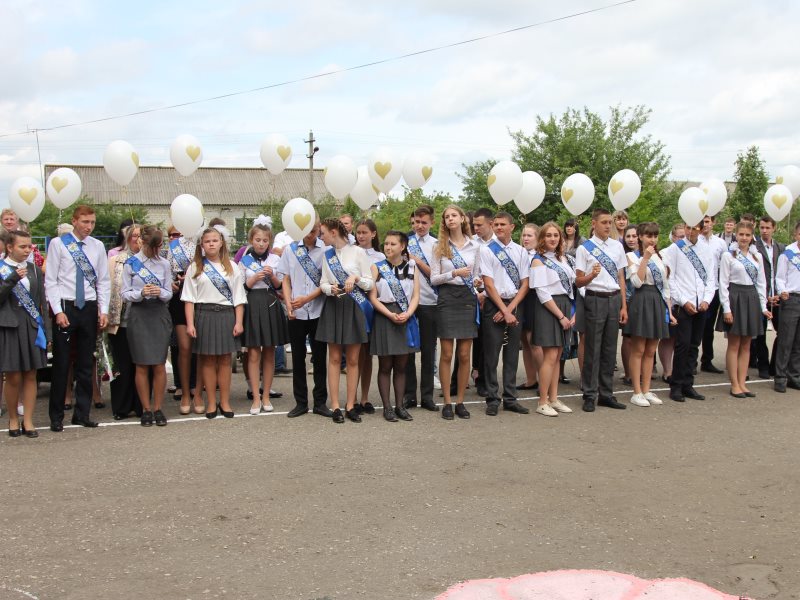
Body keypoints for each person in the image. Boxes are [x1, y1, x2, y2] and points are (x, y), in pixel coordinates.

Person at [45, 205, 110, 431]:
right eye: (85, 222)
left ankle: (82, 414)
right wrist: (58, 310)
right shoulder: (58, 244)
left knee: (85, 364)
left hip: (89, 307)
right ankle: (56, 416)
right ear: (74, 221)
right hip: (66, 304)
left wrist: (103, 310)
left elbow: (103, 280)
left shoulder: (97, 246)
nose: (89, 227)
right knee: (62, 363)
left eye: (92, 222)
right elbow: (51, 280)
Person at [182, 226, 247, 419]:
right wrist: (190, 324)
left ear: (221, 243)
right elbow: (188, 299)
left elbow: (239, 299)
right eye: (207, 241)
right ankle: (211, 403)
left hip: (227, 315)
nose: (211, 243)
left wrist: (239, 322)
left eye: (215, 240)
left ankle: (225, 402)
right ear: (202, 244)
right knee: (208, 361)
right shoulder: (195, 267)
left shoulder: (232, 267)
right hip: (204, 315)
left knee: (226, 360)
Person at [316, 218, 375, 423]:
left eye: (322, 233)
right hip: (334, 305)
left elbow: (369, 283)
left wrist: (356, 279)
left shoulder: (359, 252)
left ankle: (351, 405)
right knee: (333, 358)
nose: (320, 236)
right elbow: (323, 281)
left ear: (333, 232)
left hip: (354, 307)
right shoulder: (327, 255)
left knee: (352, 359)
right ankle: (335, 406)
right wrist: (328, 288)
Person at [431, 205, 482, 420]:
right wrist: (454, 272)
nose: (450, 219)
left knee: (463, 354)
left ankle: (461, 401)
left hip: (468, 299)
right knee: (447, 353)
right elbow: (433, 278)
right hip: (447, 298)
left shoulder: (475, 246)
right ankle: (447, 403)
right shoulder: (439, 246)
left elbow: (478, 276)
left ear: (462, 218)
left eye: (454, 215)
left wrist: (478, 283)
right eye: (446, 217)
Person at [575, 208, 628, 412]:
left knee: (609, 349)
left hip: (614, 299)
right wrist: (591, 276)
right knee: (593, 349)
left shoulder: (617, 246)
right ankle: (589, 394)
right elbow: (579, 281)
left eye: (610, 222)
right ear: (594, 223)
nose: (608, 226)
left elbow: (621, 278)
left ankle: (607, 393)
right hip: (595, 298)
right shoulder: (584, 248)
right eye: (604, 222)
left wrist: (624, 305)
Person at [278, 217, 331, 418]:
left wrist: (307, 298)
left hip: (318, 310)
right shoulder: (290, 250)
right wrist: (289, 303)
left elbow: (327, 281)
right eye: (307, 230)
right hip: (297, 312)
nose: (311, 233)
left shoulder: (325, 250)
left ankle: (320, 402)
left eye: (315, 229)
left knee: (319, 357)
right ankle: (300, 402)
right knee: (298, 359)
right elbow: (285, 278)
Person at [121, 226, 173, 426]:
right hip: (139, 314)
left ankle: (158, 407)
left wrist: (159, 291)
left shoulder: (164, 264)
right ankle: (145, 409)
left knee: (159, 364)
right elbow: (125, 293)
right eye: (153, 247)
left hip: (158, 313)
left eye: (158, 247)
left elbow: (169, 293)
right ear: (143, 243)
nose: (155, 251)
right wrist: (140, 293)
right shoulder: (131, 263)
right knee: (141, 364)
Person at [479, 212, 530, 416]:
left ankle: (510, 398)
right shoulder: (486, 250)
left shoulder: (521, 251)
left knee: (511, 355)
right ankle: (492, 398)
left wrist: (509, 311)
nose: (499, 227)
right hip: (494, 304)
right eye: (496, 224)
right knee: (491, 354)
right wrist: (502, 309)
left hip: (515, 304)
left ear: (512, 227)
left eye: (502, 224)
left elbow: (525, 284)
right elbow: (488, 284)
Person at [239, 217, 289, 415]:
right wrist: (253, 279)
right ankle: (256, 397)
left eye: (265, 240)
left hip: (270, 303)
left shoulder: (275, 260)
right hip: (252, 303)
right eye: (258, 240)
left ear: (269, 242)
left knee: (269, 351)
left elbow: (280, 286)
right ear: (252, 240)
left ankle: (267, 395)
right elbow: (241, 288)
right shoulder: (243, 260)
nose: (261, 243)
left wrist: (272, 276)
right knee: (253, 353)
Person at [369, 230, 420, 422]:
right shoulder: (377, 267)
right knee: (385, 365)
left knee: (401, 366)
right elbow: (372, 297)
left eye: (393, 244)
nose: (388, 247)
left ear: (403, 246)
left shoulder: (412, 267)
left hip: (405, 316)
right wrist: (390, 314)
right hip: (385, 316)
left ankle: (400, 406)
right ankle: (387, 407)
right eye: (386, 244)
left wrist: (409, 313)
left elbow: (416, 295)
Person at [0, 230, 47, 437]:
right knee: (13, 376)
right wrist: (10, 280)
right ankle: (12, 419)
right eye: (22, 246)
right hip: (10, 326)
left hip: (31, 326)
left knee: (31, 374)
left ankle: (28, 421)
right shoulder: (2, 268)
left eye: (30, 246)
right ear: (10, 247)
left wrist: (47, 332)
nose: (28, 250)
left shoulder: (34, 270)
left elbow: (41, 302)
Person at [624, 222, 676, 407]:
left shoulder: (660, 257)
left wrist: (669, 311)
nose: (652, 239)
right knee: (638, 349)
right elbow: (636, 282)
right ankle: (636, 391)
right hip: (641, 300)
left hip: (657, 301)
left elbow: (666, 286)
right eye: (648, 236)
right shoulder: (632, 256)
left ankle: (646, 389)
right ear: (640, 237)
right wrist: (644, 258)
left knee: (651, 350)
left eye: (654, 236)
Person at [716, 221, 771, 398]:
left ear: (751, 236)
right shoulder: (728, 255)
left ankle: (742, 383)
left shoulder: (757, 257)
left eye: (748, 235)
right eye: (741, 235)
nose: (744, 238)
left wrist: (763, 306)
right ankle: (734, 384)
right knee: (734, 344)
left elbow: (762, 283)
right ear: (736, 235)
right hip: (735, 297)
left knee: (747, 344)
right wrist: (726, 308)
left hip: (752, 298)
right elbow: (723, 283)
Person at [662, 221, 714, 402]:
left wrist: (707, 299)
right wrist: (684, 301)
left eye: (695, 228)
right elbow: (671, 278)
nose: (691, 232)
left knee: (694, 345)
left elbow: (711, 279)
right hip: (683, 305)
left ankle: (688, 384)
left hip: (701, 305)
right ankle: (676, 385)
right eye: (688, 228)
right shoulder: (675, 249)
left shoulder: (707, 250)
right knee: (682, 345)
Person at [530, 222, 576, 417]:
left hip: (565, 305)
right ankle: (542, 401)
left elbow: (572, 286)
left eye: (556, 235)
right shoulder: (538, 261)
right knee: (550, 356)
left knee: (558, 355)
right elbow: (542, 292)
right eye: (548, 235)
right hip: (550, 308)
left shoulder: (564, 259)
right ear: (542, 238)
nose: (552, 239)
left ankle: (554, 398)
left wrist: (572, 312)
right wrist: (561, 316)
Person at [404, 205, 440, 412]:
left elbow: (436, 274)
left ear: (431, 223)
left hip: (429, 301)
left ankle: (427, 396)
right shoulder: (405, 242)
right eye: (416, 222)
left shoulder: (437, 245)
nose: (419, 225)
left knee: (428, 350)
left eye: (424, 222)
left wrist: (417, 261)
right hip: (409, 302)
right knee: (408, 350)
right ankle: (409, 395)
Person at [107, 224, 144, 420]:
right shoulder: (115, 261)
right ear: (127, 238)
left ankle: (140, 405)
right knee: (122, 366)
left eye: (141, 236)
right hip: (120, 321)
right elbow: (107, 288)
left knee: (141, 364)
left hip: (143, 322)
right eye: (134, 236)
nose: (137, 240)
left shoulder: (152, 261)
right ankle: (121, 407)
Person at [167, 226, 203, 414]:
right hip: (180, 298)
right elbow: (166, 272)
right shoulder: (173, 246)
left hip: (203, 297)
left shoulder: (204, 242)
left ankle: (197, 392)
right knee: (185, 348)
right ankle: (185, 392)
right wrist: (172, 282)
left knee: (200, 348)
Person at [354, 218, 385, 415]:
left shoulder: (381, 256)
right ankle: (353, 397)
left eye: (365, 232)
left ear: (373, 234)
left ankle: (365, 397)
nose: (361, 236)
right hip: (354, 305)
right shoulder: (350, 252)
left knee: (367, 355)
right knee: (354, 355)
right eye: (358, 232)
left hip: (372, 306)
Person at [752, 215, 784, 379]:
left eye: (767, 228)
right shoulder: (754, 247)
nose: (764, 231)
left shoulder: (781, 248)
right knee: (760, 334)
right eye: (762, 227)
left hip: (778, 297)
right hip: (761, 297)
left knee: (783, 332)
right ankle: (762, 365)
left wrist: (779, 293)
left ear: (774, 228)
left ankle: (774, 365)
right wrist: (764, 296)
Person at [698, 214, 728, 374]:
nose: (705, 224)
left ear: (714, 223)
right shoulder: (695, 240)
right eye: (703, 221)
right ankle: (690, 358)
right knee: (696, 325)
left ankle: (707, 360)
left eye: (708, 221)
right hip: (696, 289)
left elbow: (724, 266)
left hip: (714, 289)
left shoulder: (720, 243)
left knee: (708, 326)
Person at [773, 221, 800, 393]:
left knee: (798, 342)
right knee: (786, 340)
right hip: (791, 299)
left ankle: (794, 376)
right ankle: (780, 377)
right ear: (796, 235)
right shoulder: (788, 254)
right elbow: (779, 278)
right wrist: (782, 291)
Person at [658, 223, 686, 382]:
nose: (682, 240)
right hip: (670, 301)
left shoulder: (690, 254)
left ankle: (678, 369)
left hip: (686, 301)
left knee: (682, 339)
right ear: (673, 237)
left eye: (685, 237)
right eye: (680, 237)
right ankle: (667, 371)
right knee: (668, 338)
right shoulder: (664, 254)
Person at [519, 223, 542, 391]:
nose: (525, 239)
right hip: (520, 299)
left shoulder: (540, 257)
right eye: (524, 235)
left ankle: (545, 378)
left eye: (529, 235)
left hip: (534, 298)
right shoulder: (518, 253)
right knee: (524, 342)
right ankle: (530, 379)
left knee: (534, 341)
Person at [620, 224, 639, 385]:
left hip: (645, 299)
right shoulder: (623, 255)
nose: (631, 239)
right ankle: (628, 373)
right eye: (628, 236)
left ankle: (640, 370)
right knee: (628, 338)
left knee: (641, 338)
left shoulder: (648, 253)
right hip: (629, 299)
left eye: (634, 235)